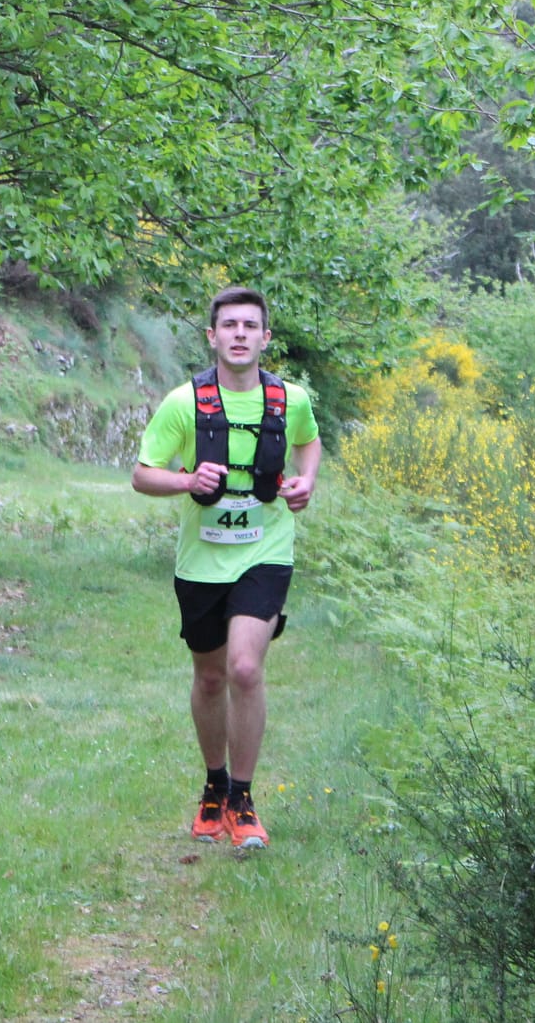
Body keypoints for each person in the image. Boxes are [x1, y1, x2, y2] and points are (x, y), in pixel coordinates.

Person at [131, 286, 321, 849]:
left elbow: (309, 445)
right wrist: (188, 481)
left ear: (266, 338)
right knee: (210, 676)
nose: (240, 334)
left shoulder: (292, 399)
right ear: (212, 337)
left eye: (250, 326)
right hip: (202, 560)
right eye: (229, 325)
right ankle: (214, 787)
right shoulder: (183, 402)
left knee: (243, 668)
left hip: (266, 552)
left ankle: (242, 798)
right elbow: (144, 474)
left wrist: (306, 481)